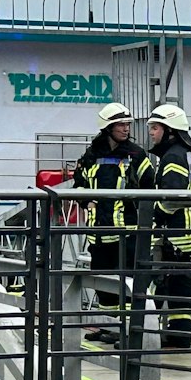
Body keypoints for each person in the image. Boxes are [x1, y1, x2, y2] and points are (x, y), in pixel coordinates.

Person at [76, 102, 149, 344]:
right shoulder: (90, 155)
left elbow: (150, 189)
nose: (126, 128)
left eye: (127, 124)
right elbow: (78, 186)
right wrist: (86, 203)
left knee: (126, 284)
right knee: (103, 284)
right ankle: (109, 328)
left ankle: (127, 333)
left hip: (125, 233)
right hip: (97, 234)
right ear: (107, 127)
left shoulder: (136, 155)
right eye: (121, 124)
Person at [144, 103, 191, 347]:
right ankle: (180, 337)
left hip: (173, 234)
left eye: (155, 128)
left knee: (153, 286)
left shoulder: (173, 156)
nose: (151, 132)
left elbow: (172, 196)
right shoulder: (181, 153)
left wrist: (152, 210)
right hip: (183, 234)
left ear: (170, 131)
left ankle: (142, 336)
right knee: (179, 290)